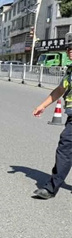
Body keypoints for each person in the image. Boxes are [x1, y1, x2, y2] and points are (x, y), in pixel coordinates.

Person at [32, 33, 72, 199]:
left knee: (65, 148)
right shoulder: (70, 71)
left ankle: (50, 188)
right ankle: (50, 188)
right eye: (69, 48)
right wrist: (42, 106)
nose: (70, 51)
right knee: (65, 149)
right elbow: (60, 90)